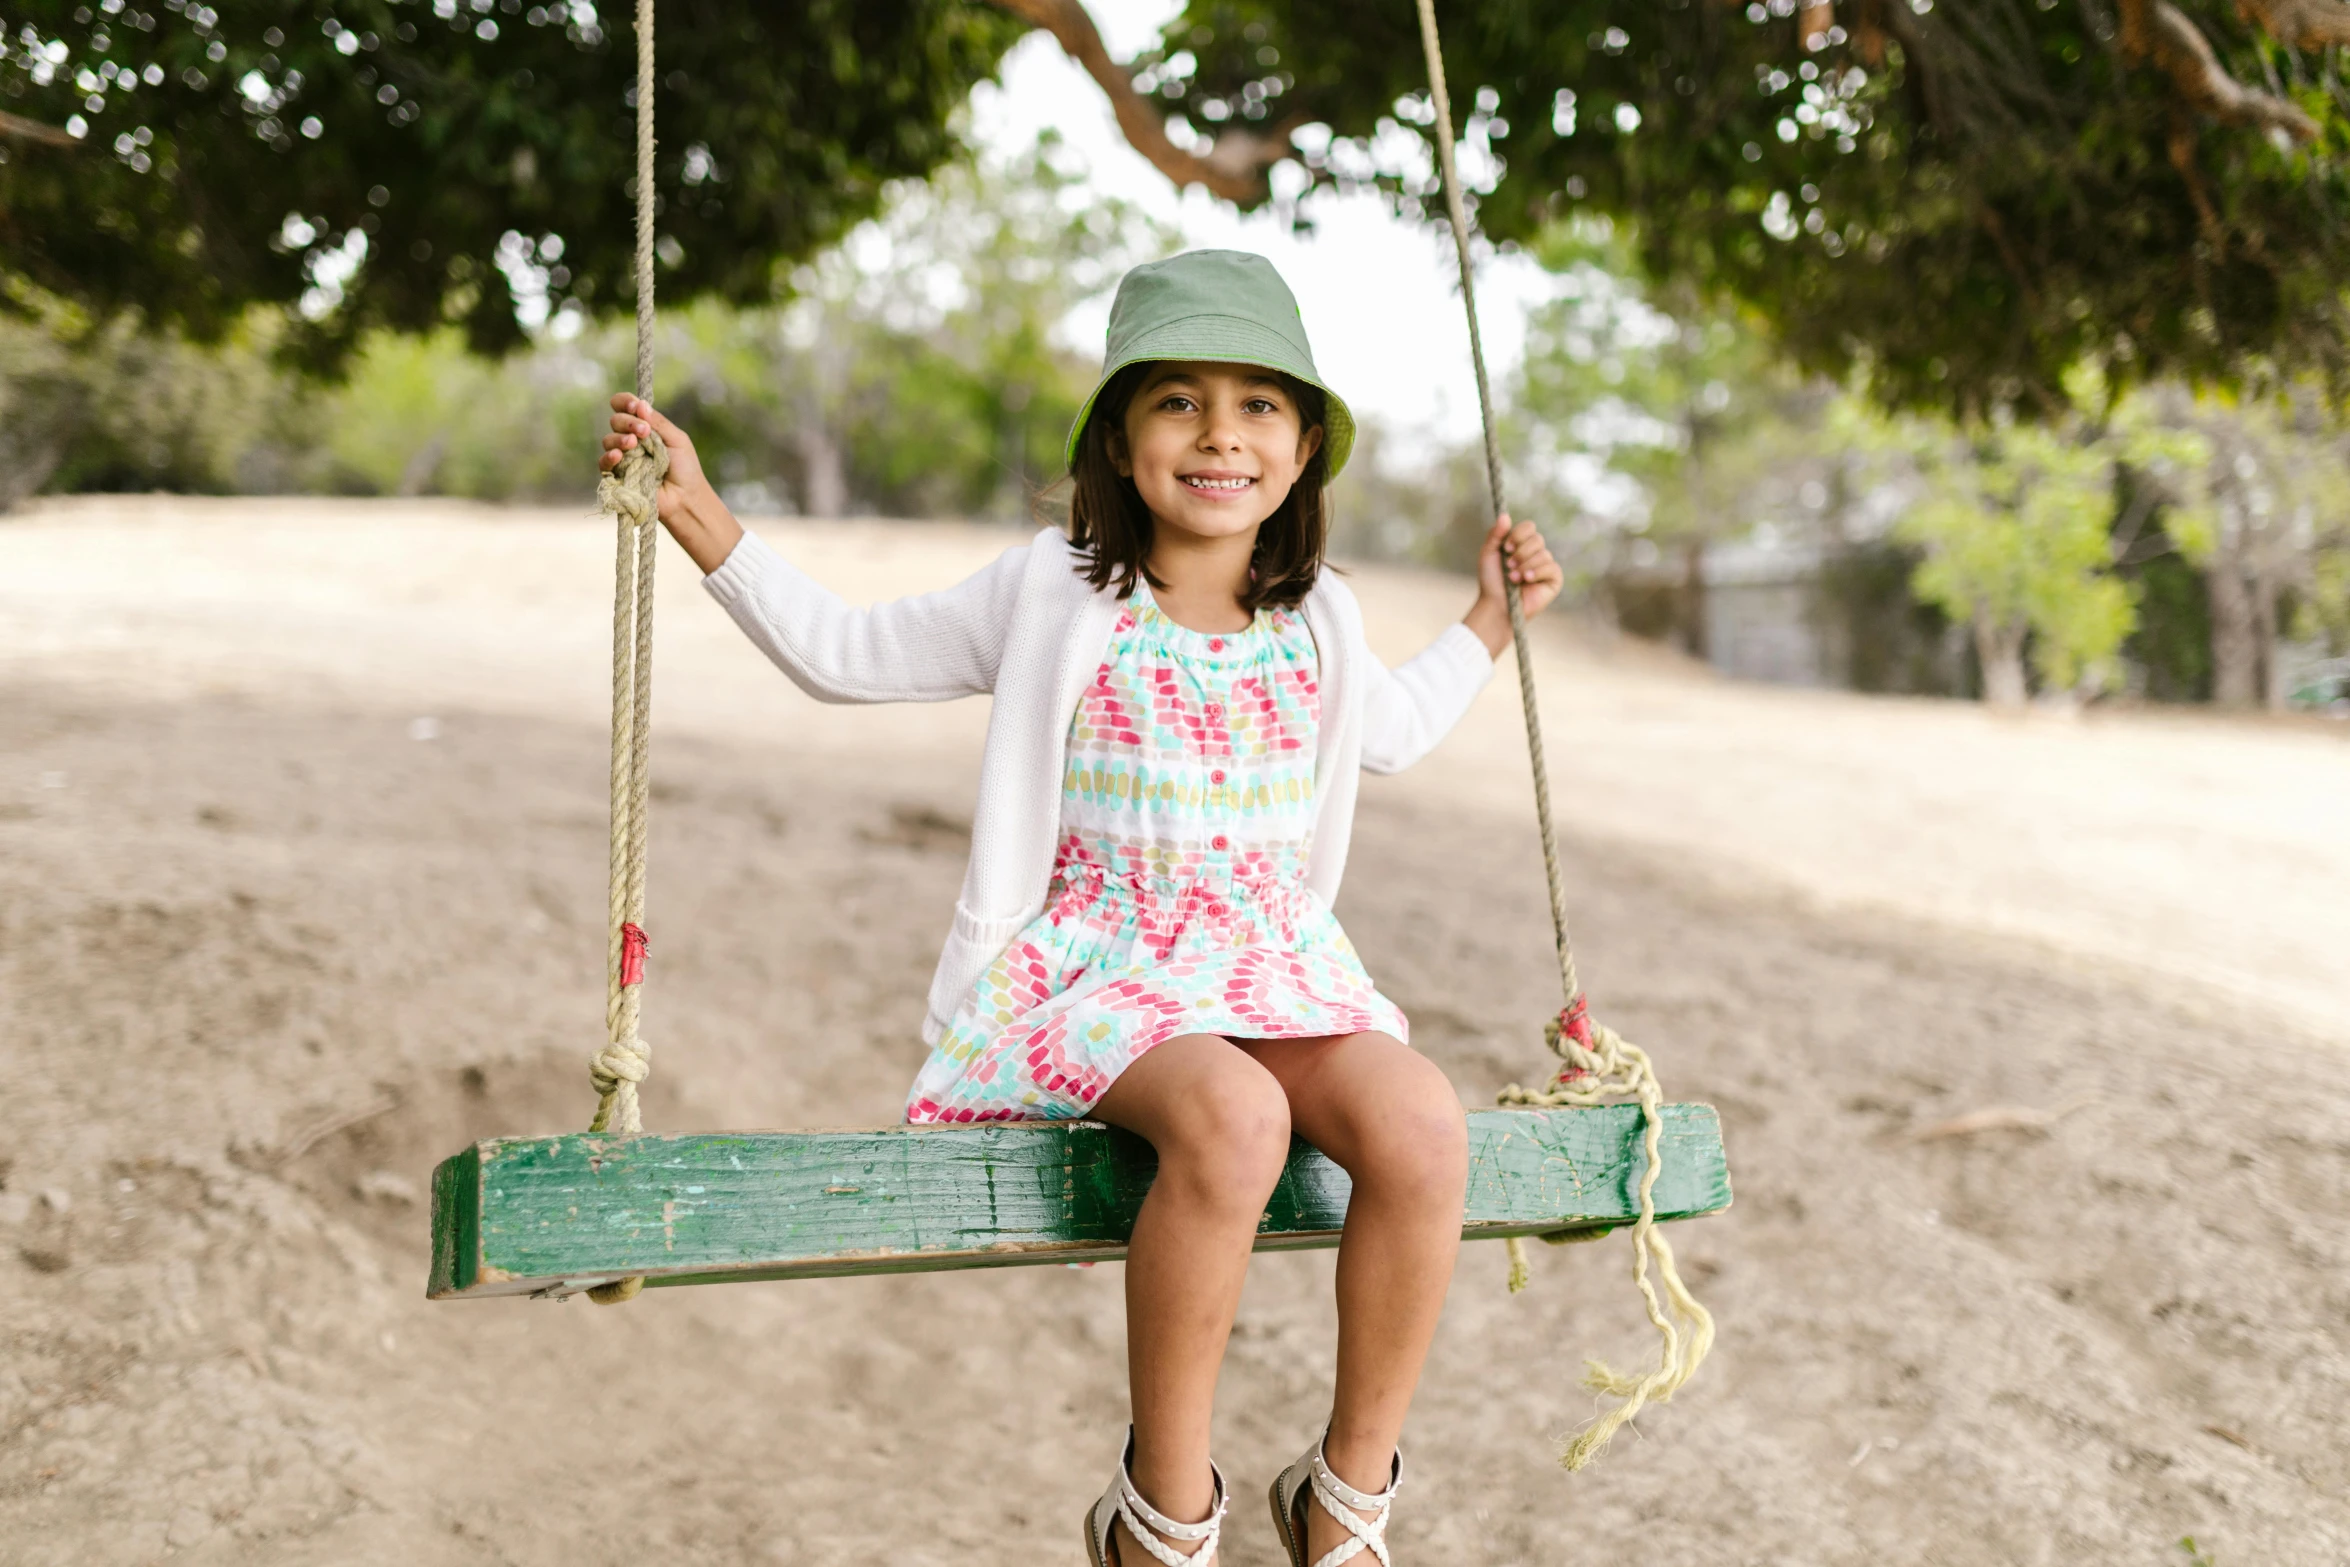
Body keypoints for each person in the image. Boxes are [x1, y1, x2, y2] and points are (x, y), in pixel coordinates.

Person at [600, 249, 1562, 1567]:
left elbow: (1392, 729)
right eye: (1177, 399)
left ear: (1303, 447)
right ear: (1118, 434)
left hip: (1274, 965)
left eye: (1259, 405)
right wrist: (700, 512)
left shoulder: (1321, 617)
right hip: (1101, 973)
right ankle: (1163, 1511)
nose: (1220, 433)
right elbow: (846, 654)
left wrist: (1487, 620)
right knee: (1234, 1118)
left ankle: (1346, 1493)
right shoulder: (1054, 589)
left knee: (1420, 1119)